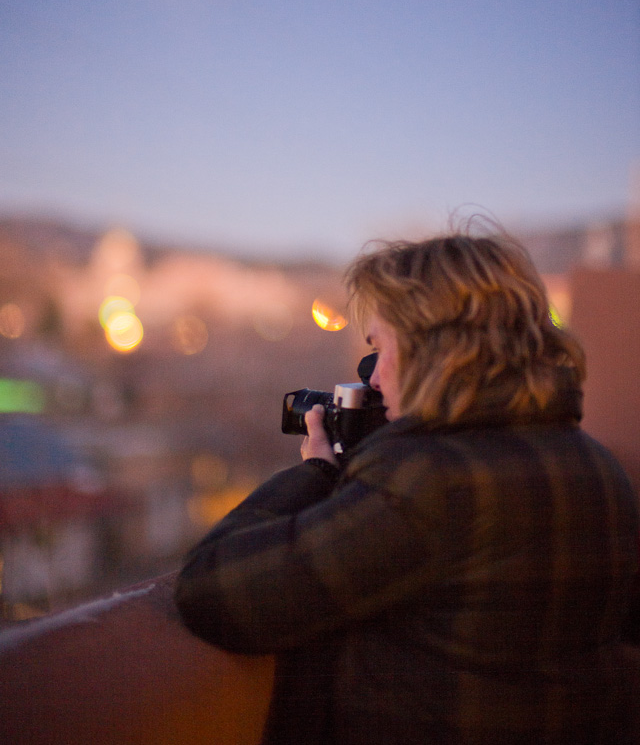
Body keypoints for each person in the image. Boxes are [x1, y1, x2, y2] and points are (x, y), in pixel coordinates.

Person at [175, 229, 639, 745]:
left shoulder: (430, 480)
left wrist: (318, 472)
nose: (371, 380)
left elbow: (212, 595)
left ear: (430, 348)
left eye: (379, 349)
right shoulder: (598, 466)